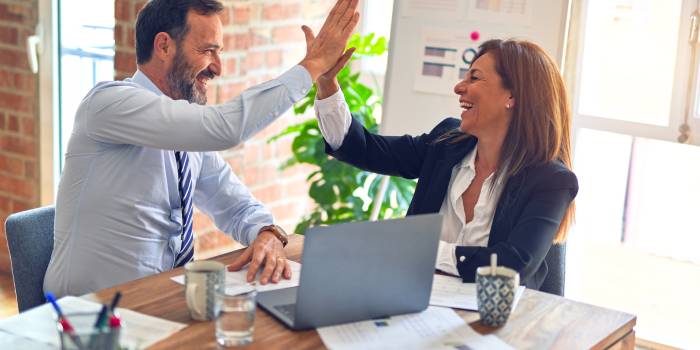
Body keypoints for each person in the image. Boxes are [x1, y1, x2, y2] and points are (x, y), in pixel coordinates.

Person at [44, 0, 360, 297]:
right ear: (164, 45)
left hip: (160, 303)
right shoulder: (108, 104)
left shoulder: (186, 134)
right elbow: (224, 128)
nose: (218, 68)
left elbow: (237, 207)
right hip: (89, 315)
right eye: (208, 51)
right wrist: (312, 65)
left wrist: (266, 231)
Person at [313, 39, 578, 289]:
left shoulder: (551, 181)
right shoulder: (446, 143)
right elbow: (364, 149)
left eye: (474, 77)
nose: (459, 87)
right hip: (417, 303)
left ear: (512, 96)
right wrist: (327, 84)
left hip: (498, 324)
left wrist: (422, 249)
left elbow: (512, 266)